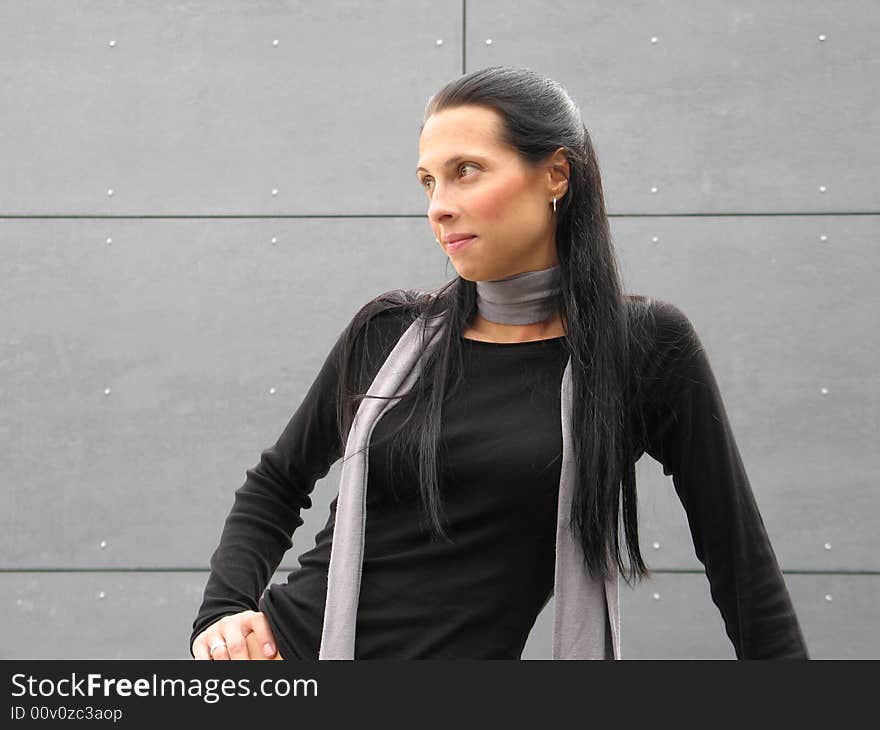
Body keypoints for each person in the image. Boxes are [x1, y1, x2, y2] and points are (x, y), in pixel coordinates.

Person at [190, 65, 809, 660]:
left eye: (467, 171)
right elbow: (277, 482)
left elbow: (736, 554)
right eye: (428, 182)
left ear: (556, 175)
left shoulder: (641, 348)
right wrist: (221, 615)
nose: (440, 205)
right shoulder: (387, 335)